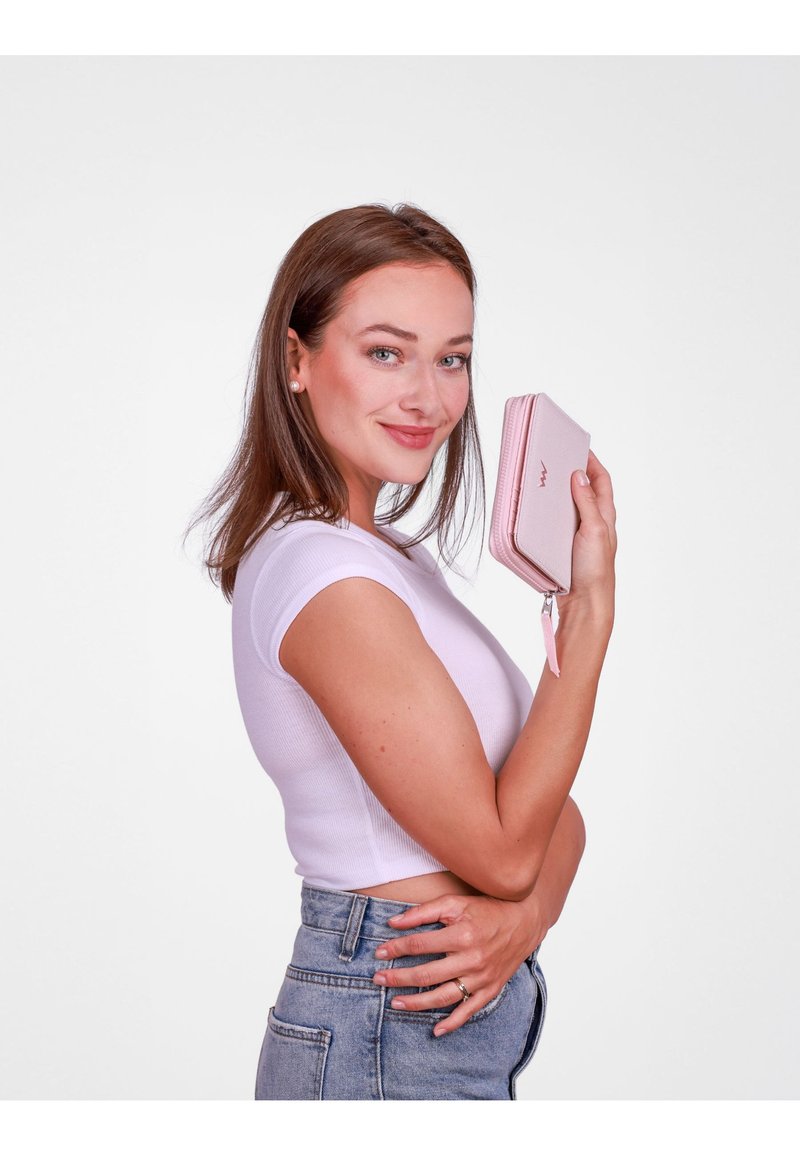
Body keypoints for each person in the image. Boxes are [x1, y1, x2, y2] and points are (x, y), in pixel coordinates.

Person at [187, 202, 617, 1100]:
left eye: (452, 358)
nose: (428, 397)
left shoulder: (392, 561)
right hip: (384, 1019)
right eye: (386, 353)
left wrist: (524, 919)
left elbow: (556, 818)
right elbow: (507, 852)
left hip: (420, 1025)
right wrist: (587, 618)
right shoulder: (322, 573)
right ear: (296, 360)